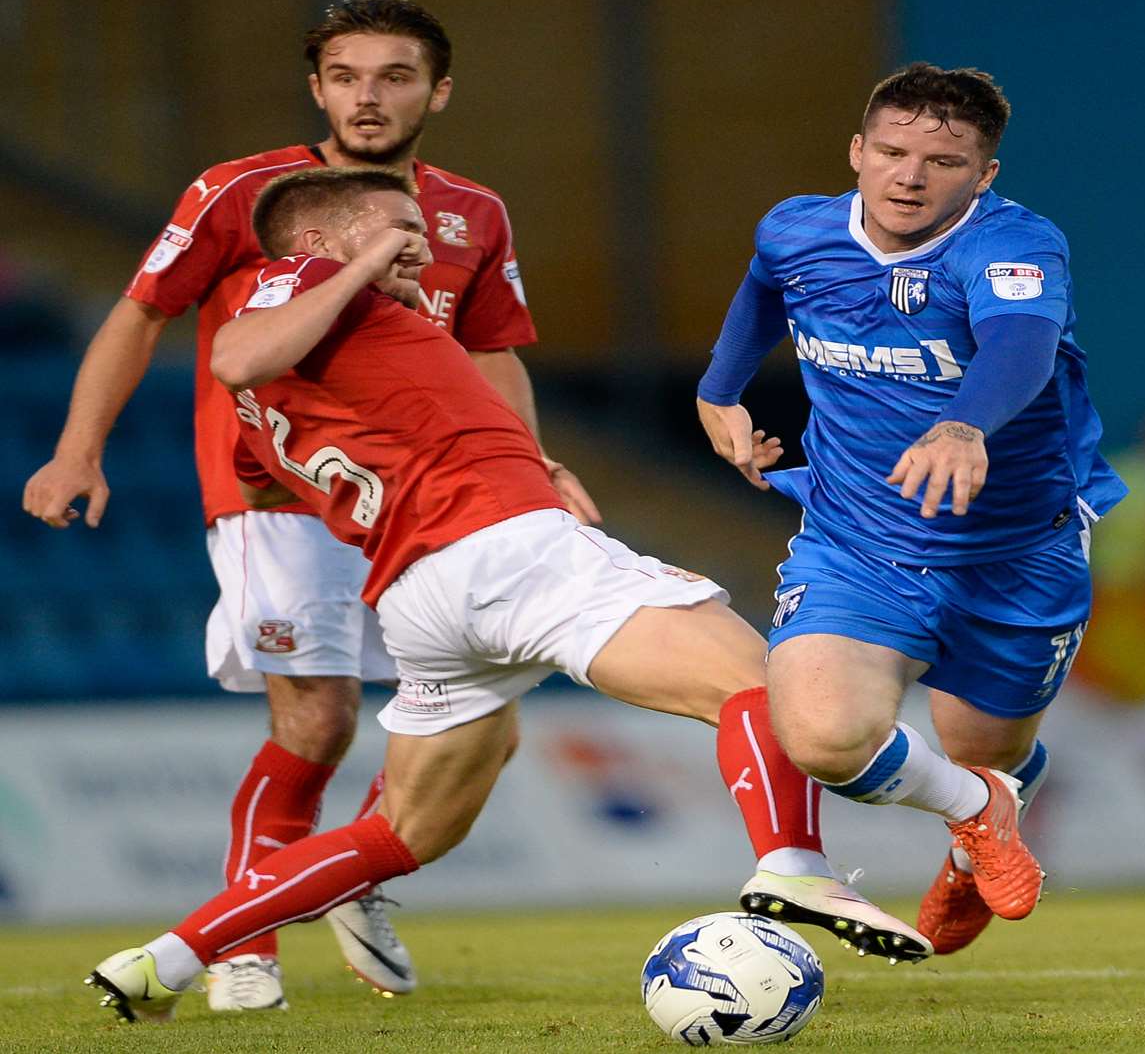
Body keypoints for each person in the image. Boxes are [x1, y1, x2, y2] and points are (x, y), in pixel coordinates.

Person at [85, 167, 927, 1025]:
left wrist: (512, 454)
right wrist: (369, 281)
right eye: (392, 228)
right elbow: (232, 352)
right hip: (503, 549)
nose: (415, 245)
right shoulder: (298, 283)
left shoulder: (314, 376)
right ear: (315, 243)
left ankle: (165, 959)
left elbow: (271, 471)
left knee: (403, 835)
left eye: (414, 229)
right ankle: (793, 865)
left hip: (422, 595)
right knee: (767, 686)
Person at [19, 0, 597, 1010]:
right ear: (317, 87)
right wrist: (79, 450)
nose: (368, 98)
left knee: (487, 725)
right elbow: (143, 312)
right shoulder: (242, 193)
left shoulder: (474, 212)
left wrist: (537, 463)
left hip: (427, 499)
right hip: (275, 491)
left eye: (395, 76)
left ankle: (347, 875)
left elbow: (490, 352)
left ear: (439, 91)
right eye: (346, 76)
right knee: (320, 720)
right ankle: (246, 942)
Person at [695, 63, 1126, 954]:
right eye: (890, 151)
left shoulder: (1013, 247)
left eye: (943, 160)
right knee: (822, 736)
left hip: (1015, 552)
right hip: (858, 541)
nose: (909, 176)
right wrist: (719, 391)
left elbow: (1021, 343)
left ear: (985, 175)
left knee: (987, 751)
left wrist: (966, 423)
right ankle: (980, 817)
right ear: (857, 151)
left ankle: (979, 822)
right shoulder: (797, 230)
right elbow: (764, 290)